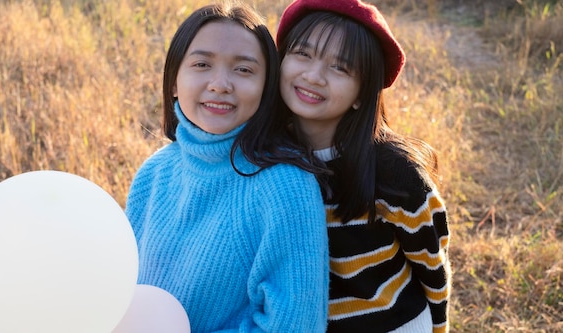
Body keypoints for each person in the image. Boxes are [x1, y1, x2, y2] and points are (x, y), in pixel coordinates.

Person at [125, 2, 330, 332]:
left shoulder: (285, 186)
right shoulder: (155, 172)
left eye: (244, 70)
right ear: (174, 81)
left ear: (267, 89)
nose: (220, 84)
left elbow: (296, 325)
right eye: (202, 64)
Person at [275, 0, 451, 332]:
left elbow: (432, 267)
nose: (313, 76)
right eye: (303, 54)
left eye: (339, 68)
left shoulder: (396, 175)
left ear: (361, 93)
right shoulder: (265, 154)